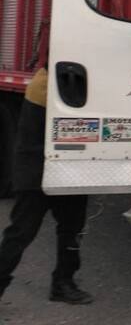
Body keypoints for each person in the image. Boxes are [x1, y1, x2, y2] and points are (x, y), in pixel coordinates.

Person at [0, 67, 93, 304]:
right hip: (40, 171)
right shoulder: (50, 87)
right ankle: (62, 283)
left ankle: (63, 283)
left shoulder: (55, 80)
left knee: (68, 228)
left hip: (63, 168)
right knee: (24, 231)